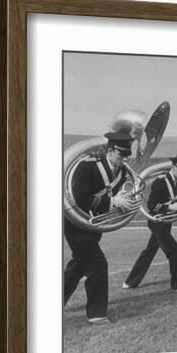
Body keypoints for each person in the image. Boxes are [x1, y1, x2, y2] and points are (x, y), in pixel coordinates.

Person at [63, 114, 142, 324]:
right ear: (110, 150)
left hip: (93, 226)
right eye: (121, 155)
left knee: (78, 265)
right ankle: (96, 314)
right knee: (98, 265)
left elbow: (115, 197)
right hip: (74, 223)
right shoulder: (87, 165)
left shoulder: (122, 173)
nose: (124, 160)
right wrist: (113, 202)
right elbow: (79, 197)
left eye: (126, 156)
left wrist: (124, 202)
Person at [123, 155, 177, 291]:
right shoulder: (160, 181)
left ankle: (130, 282)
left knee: (149, 252)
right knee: (174, 250)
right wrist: (170, 207)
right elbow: (151, 205)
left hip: (166, 222)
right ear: (174, 167)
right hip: (157, 222)